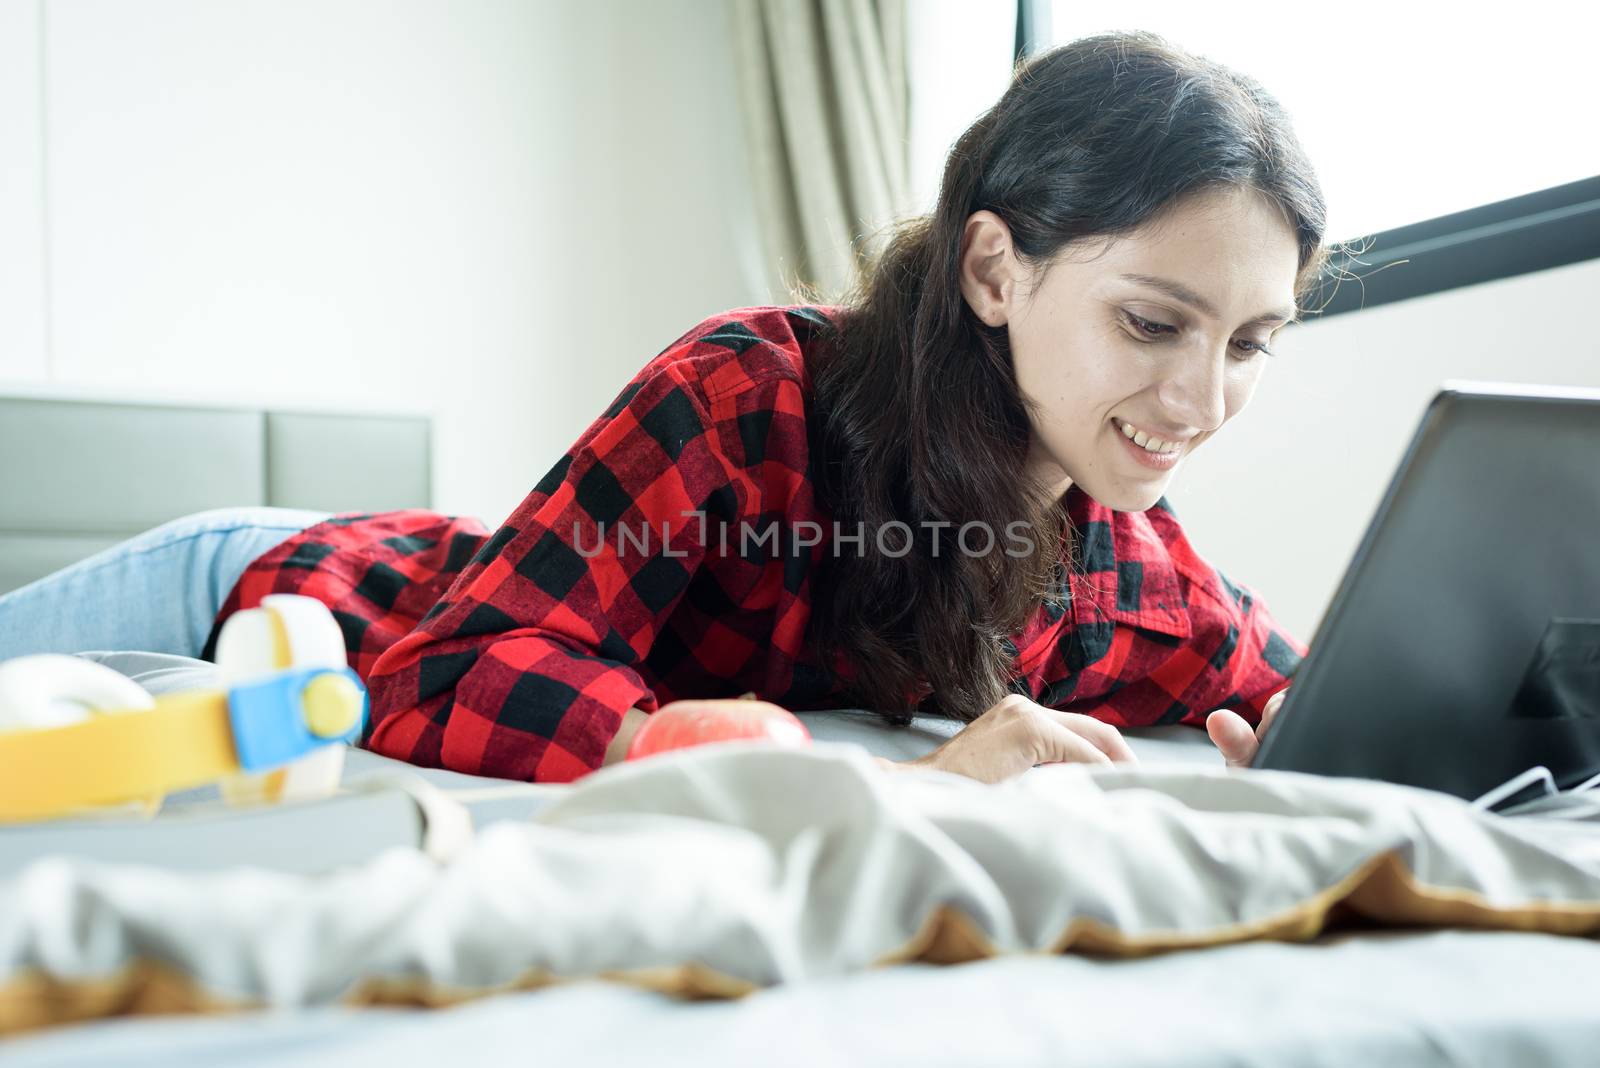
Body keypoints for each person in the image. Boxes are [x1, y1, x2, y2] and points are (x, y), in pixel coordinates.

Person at [0, 30, 1322, 785]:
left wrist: (1315, 730)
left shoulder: (1119, 565)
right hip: (266, 590)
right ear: (992, 268)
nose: (1203, 400)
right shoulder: (752, 391)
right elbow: (450, 672)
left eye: (1252, 342)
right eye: (1152, 324)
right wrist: (866, 790)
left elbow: (1288, 677)